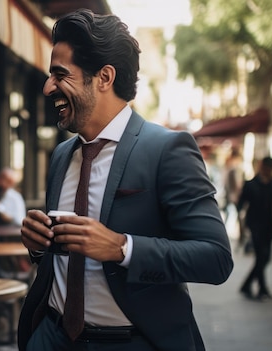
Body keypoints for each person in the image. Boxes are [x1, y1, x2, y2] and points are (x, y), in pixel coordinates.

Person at [17, 10, 233, 351]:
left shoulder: (167, 149)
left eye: (60, 74)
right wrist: (38, 244)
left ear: (104, 77)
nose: (48, 87)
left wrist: (122, 247)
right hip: (52, 336)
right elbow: (62, 259)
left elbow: (215, 258)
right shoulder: (61, 156)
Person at [238, 156, 272, 300]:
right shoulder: (250, 184)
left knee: (266, 258)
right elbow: (241, 203)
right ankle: (261, 289)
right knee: (261, 257)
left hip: (269, 225)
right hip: (255, 225)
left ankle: (247, 285)